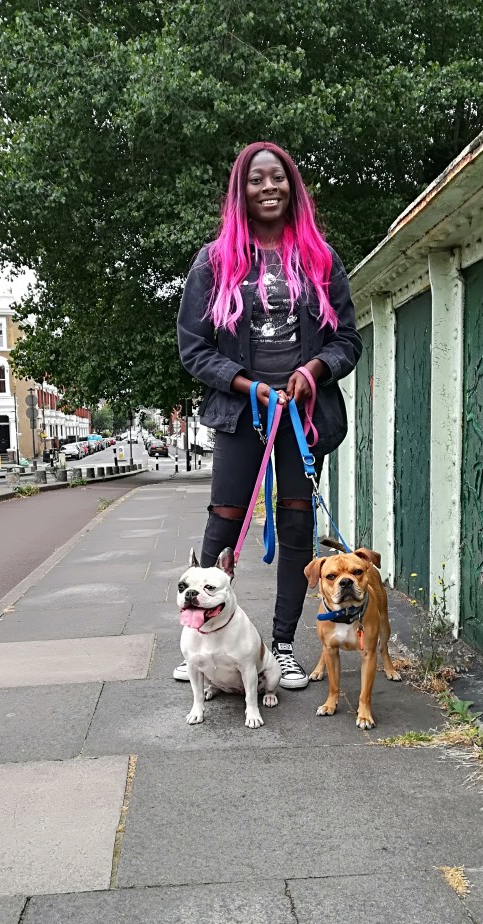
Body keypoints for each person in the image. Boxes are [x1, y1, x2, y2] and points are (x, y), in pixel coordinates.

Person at [175, 141, 362, 687]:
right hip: (241, 413)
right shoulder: (214, 262)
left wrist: (313, 371)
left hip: (303, 414)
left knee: (297, 520)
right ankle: (201, 640)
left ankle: (279, 645)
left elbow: (347, 340)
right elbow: (194, 348)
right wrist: (249, 386)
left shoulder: (320, 259)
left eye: (277, 178)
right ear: (242, 190)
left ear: (292, 185)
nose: (268, 188)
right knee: (226, 519)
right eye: (256, 180)